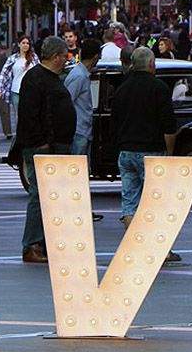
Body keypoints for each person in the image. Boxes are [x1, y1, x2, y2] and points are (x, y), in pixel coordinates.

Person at [111, 46, 181, 263]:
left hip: (126, 151)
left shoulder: (121, 89)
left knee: (130, 200)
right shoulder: (159, 88)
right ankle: (161, 249)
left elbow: (114, 123)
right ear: (152, 65)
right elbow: (169, 125)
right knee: (156, 202)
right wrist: (168, 153)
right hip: (151, 151)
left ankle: (133, 245)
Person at [14, 36, 75, 264]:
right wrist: (42, 143)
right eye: (64, 56)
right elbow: (30, 115)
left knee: (50, 197)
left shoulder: (47, 78)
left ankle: (44, 242)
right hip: (43, 147)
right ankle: (32, 244)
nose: (65, 60)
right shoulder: (37, 79)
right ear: (57, 56)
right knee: (40, 196)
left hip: (53, 145)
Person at [0, 37, 37, 141]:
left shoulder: (34, 58)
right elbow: (4, 74)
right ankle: (20, 136)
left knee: (30, 113)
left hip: (31, 91)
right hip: (16, 90)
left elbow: (39, 73)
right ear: (19, 44)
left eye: (27, 43)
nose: (25, 45)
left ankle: (30, 135)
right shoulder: (13, 58)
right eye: (23, 43)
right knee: (18, 115)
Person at [65, 38, 100, 157]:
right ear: (95, 57)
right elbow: (67, 102)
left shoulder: (82, 74)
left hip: (83, 130)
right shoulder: (79, 76)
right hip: (78, 131)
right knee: (78, 168)